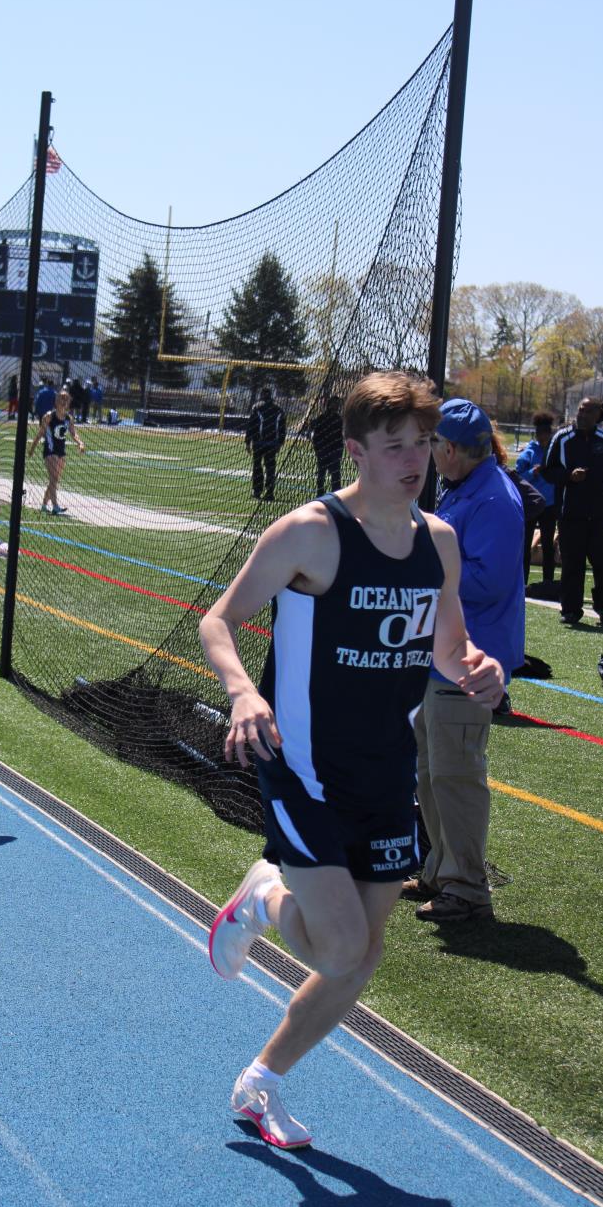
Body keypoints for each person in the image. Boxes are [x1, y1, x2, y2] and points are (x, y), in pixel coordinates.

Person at [201, 372, 504, 1149]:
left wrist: (479, 668)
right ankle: (262, 900)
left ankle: (261, 1083)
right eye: (395, 446)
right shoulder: (311, 533)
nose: (414, 461)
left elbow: (449, 650)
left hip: (385, 772)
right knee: (338, 946)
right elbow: (218, 622)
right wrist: (242, 691)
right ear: (357, 450)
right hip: (303, 766)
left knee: (360, 959)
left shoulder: (438, 542)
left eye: (423, 444)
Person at [407, 398, 524, 923]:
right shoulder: (470, 487)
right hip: (443, 654)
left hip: (469, 659)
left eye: (431, 444)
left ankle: (467, 888)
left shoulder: (492, 498)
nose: (428, 454)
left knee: (456, 774)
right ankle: (440, 870)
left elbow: (487, 580)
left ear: (449, 449)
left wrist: (423, 561)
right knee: (432, 771)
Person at [543, 398, 603, 627]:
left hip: (601, 516)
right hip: (571, 515)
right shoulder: (562, 438)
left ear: (598, 414)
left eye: (587, 411)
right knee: (572, 564)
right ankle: (571, 610)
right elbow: (548, 470)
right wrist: (568, 476)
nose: (581, 415)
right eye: (580, 411)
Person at [515, 413, 558, 588]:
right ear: (537, 434)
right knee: (525, 545)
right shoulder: (529, 452)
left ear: (550, 433)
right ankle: (522, 582)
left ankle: (548, 582)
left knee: (548, 545)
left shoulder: (555, 451)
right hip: (531, 504)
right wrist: (533, 472)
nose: (543, 437)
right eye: (540, 433)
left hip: (549, 504)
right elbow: (518, 476)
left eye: (546, 433)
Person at [28, 387, 85, 514]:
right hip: (50, 451)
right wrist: (32, 449)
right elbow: (40, 434)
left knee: (54, 481)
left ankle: (44, 505)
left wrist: (80, 443)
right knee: (53, 479)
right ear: (56, 401)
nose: (64, 401)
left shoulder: (68, 418)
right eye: (61, 398)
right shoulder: (49, 416)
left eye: (66, 399)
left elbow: (73, 433)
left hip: (61, 452)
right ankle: (55, 506)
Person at [245, 387, 286, 501]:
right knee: (270, 468)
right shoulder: (278, 409)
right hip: (272, 443)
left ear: (261, 395)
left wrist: (248, 442)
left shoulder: (257, 407)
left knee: (257, 467)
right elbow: (282, 428)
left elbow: (251, 426)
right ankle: (269, 492)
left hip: (259, 442)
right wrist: (280, 442)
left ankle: (257, 491)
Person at [310, 394, 345, 494]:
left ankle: (334, 493)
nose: (336, 406)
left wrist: (339, 450)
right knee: (322, 474)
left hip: (333, 451)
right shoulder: (322, 418)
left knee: (334, 474)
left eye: (337, 404)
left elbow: (341, 437)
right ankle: (321, 492)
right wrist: (318, 449)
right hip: (324, 450)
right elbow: (316, 435)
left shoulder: (339, 420)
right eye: (334, 404)